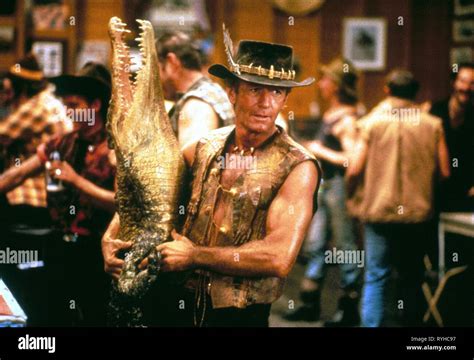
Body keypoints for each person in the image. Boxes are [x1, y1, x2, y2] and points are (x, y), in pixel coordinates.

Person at [102, 32, 321, 327]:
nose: (266, 103)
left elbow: (279, 257)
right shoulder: (205, 147)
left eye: (277, 92)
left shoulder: (297, 166)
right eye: (255, 89)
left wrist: (195, 256)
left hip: (240, 315)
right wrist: (111, 235)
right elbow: (151, 187)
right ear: (232, 92)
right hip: (177, 301)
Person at [0, 62, 116, 326]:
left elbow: (119, 204)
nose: (67, 112)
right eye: (66, 105)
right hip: (63, 245)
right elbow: (17, 174)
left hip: (100, 253)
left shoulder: (113, 146)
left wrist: (75, 180)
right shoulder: (63, 142)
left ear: (95, 106)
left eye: (74, 105)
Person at [346, 70, 450, 327]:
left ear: (387, 90)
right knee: (412, 277)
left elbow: (355, 168)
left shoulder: (371, 123)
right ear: (416, 93)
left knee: (376, 275)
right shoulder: (432, 124)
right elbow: (446, 171)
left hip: (379, 211)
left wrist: (352, 196)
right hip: (417, 213)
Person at [284, 58, 362, 326]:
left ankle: (349, 307)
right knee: (315, 244)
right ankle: (309, 302)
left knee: (345, 246)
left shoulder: (347, 119)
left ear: (338, 86)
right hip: (325, 185)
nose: (323, 84)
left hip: (338, 187)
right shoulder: (333, 114)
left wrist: (319, 150)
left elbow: (351, 160)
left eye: (328, 79)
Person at [157, 31, 235, 146]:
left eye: (156, 68)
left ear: (171, 62)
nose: (155, 78)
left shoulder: (196, 104)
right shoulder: (212, 90)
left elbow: (197, 155)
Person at [430, 62, 474, 212]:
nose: (467, 88)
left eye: (472, 83)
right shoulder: (435, 112)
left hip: (468, 195)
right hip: (435, 194)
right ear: (453, 82)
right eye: (462, 81)